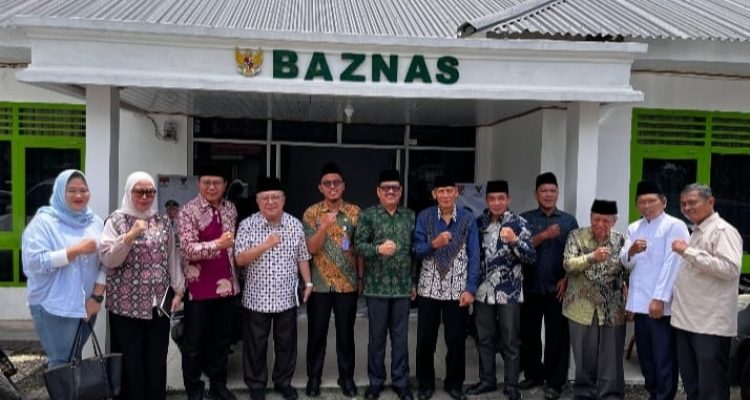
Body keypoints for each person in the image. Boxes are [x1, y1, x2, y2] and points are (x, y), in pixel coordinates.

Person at [99, 171, 185, 400]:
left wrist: (179, 291)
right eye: (139, 191)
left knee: (156, 361)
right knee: (131, 362)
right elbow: (108, 259)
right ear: (129, 192)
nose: (145, 196)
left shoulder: (162, 220)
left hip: (158, 306)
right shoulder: (115, 221)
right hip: (126, 307)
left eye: (150, 192)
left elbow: (171, 257)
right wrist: (130, 236)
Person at [234, 176, 313, 400]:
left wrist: (308, 282)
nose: (270, 202)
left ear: (283, 200)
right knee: (255, 345)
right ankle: (256, 385)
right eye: (265, 198)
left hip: (286, 297)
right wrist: (265, 245)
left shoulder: (294, 225)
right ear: (258, 201)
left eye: (275, 197)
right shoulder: (247, 225)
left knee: (286, 344)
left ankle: (283, 382)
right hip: (256, 298)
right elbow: (239, 259)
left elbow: (302, 257)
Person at [21, 169, 106, 368]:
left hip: (87, 305)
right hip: (55, 306)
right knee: (61, 363)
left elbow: (105, 262)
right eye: (72, 190)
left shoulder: (94, 222)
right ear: (60, 192)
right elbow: (34, 262)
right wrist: (74, 250)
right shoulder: (44, 222)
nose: (78, 195)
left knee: (73, 361)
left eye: (83, 190)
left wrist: (96, 298)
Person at [670, 183, 743, 400]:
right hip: (687, 322)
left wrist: (688, 252)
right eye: (683, 204)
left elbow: (730, 268)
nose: (687, 208)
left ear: (710, 202)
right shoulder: (697, 231)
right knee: (693, 386)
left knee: (711, 389)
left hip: (709, 325)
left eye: (692, 202)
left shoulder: (723, 231)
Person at [466, 180, 536, 400]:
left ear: (508, 199)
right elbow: (471, 255)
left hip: (510, 291)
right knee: (484, 338)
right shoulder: (479, 223)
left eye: (501, 198)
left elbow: (531, 257)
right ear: (486, 200)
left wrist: (514, 241)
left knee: (510, 340)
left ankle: (511, 384)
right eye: (492, 199)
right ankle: (487, 380)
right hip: (483, 291)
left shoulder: (519, 224)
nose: (496, 203)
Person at [620, 180, 689, 400]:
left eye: (651, 201)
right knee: (646, 357)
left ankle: (664, 396)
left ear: (664, 202)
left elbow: (673, 263)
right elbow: (626, 263)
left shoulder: (674, 225)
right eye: (642, 202)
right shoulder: (634, 227)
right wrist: (631, 251)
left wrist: (659, 298)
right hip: (640, 305)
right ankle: (653, 393)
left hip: (662, 307)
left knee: (663, 357)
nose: (647, 205)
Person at [412, 175, 480, 400]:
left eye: (449, 191)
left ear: (456, 192)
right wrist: (434, 244)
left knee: (456, 340)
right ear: (434, 194)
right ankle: (425, 384)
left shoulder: (468, 219)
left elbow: (474, 255)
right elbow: (416, 250)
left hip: (458, 290)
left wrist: (470, 288)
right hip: (428, 288)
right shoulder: (425, 217)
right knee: (426, 340)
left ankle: (454, 384)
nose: (445, 195)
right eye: (441, 191)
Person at [178, 164, 240, 400]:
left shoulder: (231, 209)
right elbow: (187, 249)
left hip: (227, 287)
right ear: (198, 183)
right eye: (207, 182)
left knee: (222, 341)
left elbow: (232, 246)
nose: (211, 187)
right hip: (198, 289)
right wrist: (217, 245)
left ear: (225, 185)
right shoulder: (188, 211)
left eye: (217, 182)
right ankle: (194, 390)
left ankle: (218, 386)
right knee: (194, 343)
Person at [354, 169, 416, 400]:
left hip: (402, 288)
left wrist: (414, 281)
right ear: (378, 191)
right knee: (377, 339)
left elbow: (414, 252)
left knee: (400, 339)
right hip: (376, 288)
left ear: (401, 191)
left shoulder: (410, 216)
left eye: (395, 188)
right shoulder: (368, 215)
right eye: (386, 188)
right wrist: (377, 249)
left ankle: (401, 382)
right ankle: (376, 381)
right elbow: (358, 246)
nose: (391, 191)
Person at [302, 162, 362, 398]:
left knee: (346, 334)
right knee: (317, 333)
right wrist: (324, 226)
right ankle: (314, 378)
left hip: (347, 284)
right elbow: (310, 248)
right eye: (327, 183)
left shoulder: (355, 212)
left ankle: (346, 378)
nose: (332, 186)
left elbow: (359, 250)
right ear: (320, 187)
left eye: (336, 182)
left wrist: (360, 278)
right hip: (320, 285)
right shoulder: (311, 213)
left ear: (343, 186)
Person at [519, 172, 578, 399]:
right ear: (536, 194)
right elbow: (520, 247)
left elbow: (576, 253)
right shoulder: (525, 219)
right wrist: (544, 235)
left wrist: (568, 277)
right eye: (543, 191)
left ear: (557, 193)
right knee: (529, 334)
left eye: (552, 191)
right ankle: (533, 374)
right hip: (530, 286)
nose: (548, 195)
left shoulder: (568, 221)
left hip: (558, 288)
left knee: (558, 337)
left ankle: (555, 381)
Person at [563, 199, 626, 400]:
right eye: (596, 219)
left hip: (612, 308)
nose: (600, 224)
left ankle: (610, 394)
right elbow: (568, 264)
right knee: (584, 355)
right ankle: (584, 393)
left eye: (606, 221)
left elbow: (629, 270)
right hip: (581, 306)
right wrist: (591, 257)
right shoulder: (576, 236)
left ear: (614, 221)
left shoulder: (621, 240)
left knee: (611, 356)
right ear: (590, 217)